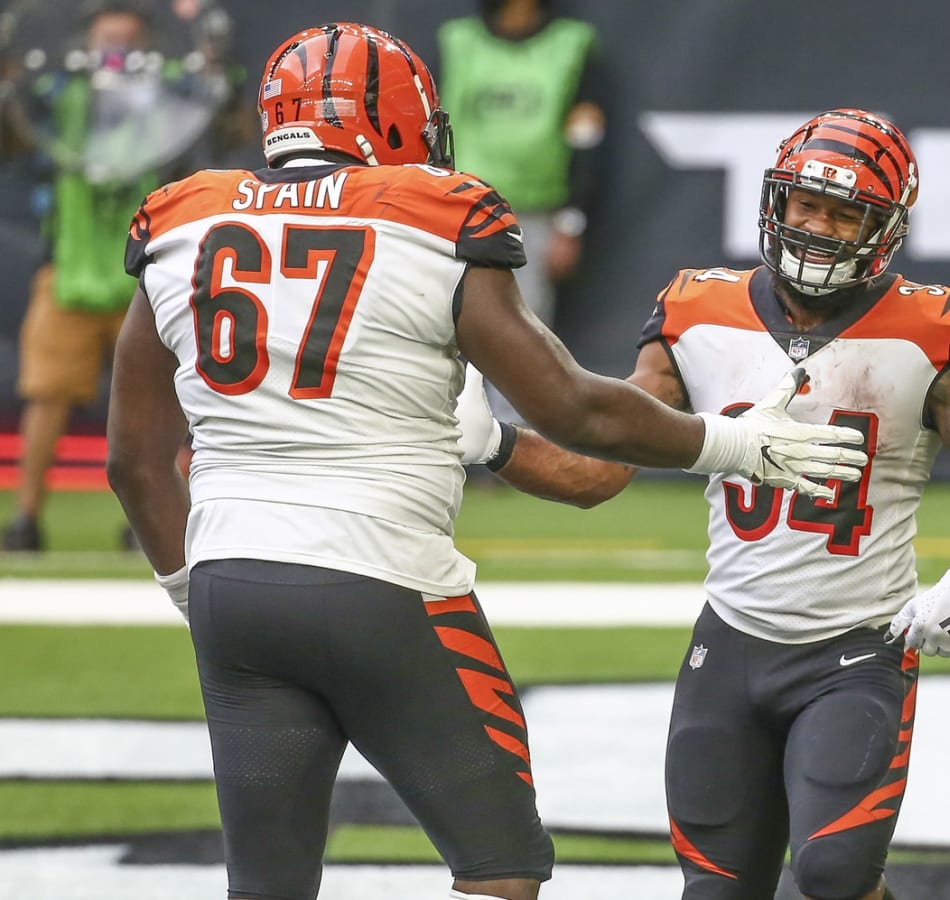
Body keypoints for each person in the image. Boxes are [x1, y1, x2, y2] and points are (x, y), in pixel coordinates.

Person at [104, 23, 869, 900]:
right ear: (394, 121)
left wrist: (184, 586)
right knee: (502, 867)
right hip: (381, 580)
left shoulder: (182, 217)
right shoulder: (435, 213)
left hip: (229, 580)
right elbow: (570, 406)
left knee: (267, 884)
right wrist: (731, 444)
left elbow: (134, 459)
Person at [457, 109, 950, 900]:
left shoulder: (928, 332)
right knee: (716, 890)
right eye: (806, 203)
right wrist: (496, 444)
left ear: (885, 229)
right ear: (774, 201)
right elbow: (598, 469)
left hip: (857, 651)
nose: (817, 226)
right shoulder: (698, 312)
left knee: (836, 874)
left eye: (844, 212)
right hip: (731, 646)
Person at [0, 0, 238, 551]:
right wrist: (12, 83)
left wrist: (214, 68)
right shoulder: (60, 97)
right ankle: (26, 520)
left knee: (165, 404)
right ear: (85, 46)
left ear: (147, 49)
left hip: (149, 275)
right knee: (47, 398)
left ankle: (158, 520)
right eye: (107, 43)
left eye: (128, 44)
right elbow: (15, 141)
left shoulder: (173, 97)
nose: (117, 56)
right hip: (68, 272)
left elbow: (219, 131)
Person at [437, 0, 604, 329]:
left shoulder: (572, 44)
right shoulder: (457, 41)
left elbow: (588, 141)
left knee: (522, 336)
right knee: (444, 332)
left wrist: (570, 223)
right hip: (455, 215)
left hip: (533, 219)